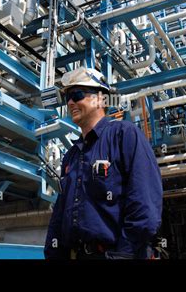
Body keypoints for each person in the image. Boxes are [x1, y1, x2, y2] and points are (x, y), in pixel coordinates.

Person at [44, 67, 162, 259]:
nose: (71, 102)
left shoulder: (124, 135)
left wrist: (123, 254)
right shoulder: (72, 155)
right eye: (68, 98)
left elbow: (144, 205)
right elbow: (59, 215)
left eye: (77, 94)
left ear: (100, 99)